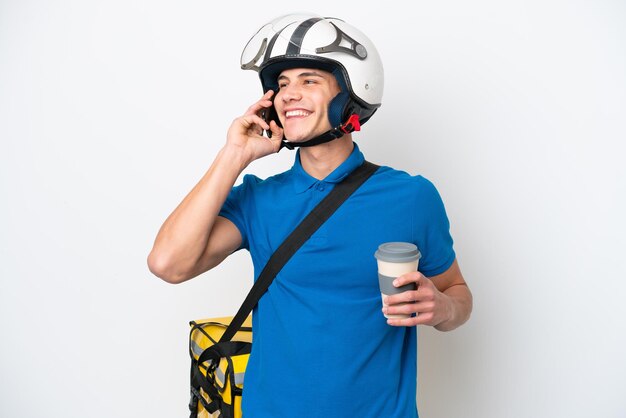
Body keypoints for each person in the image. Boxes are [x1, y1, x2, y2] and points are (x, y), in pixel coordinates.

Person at [148, 13, 472, 418]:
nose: (288, 94)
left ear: (350, 95)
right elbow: (168, 263)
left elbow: (458, 294)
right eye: (281, 84)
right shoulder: (259, 200)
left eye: (308, 80)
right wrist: (234, 156)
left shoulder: (410, 197)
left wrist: (443, 308)